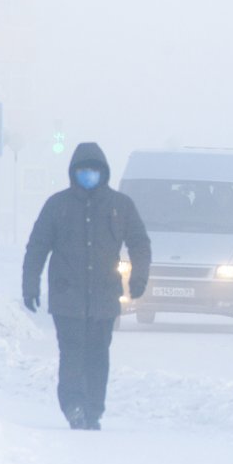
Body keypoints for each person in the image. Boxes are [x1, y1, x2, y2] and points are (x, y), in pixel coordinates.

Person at [22, 142, 151, 430]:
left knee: (98, 356)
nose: (88, 175)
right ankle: (73, 406)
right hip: (67, 298)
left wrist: (139, 278)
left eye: (93, 170)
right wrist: (30, 284)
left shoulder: (120, 206)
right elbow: (37, 246)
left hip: (104, 298)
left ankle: (93, 410)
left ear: (103, 172)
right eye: (83, 170)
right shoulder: (58, 206)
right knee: (71, 354)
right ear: (73, 172)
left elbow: (140, 243)